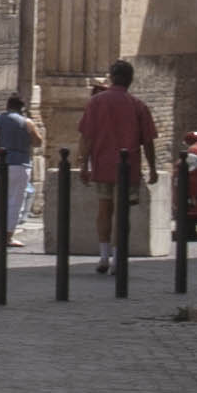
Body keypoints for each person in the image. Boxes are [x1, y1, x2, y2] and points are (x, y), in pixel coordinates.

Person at [80, 59, 161, 275]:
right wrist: (152, 168)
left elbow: (87, 137)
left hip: (102, 163)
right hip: (128, 168)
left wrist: (83, 165)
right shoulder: (138, 105)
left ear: (112, 77)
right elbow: (148, 141)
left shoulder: (96, 102)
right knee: (122, 214)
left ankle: (104, 256)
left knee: (104, 209)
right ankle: (118, 259)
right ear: (131, 80)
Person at [0, 86, 39, 240]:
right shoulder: (26, 122)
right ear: (22, 108)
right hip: (19, 164)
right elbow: (38, 141)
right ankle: (8, 235)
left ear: (7, 105)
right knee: (15, 201)